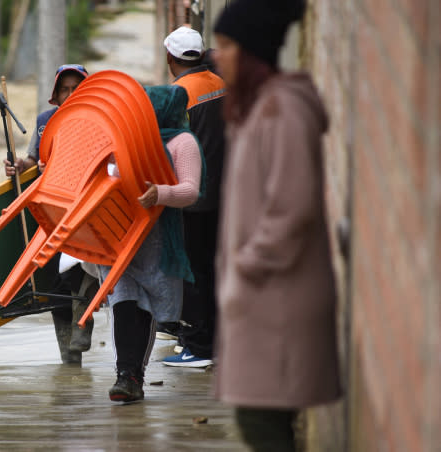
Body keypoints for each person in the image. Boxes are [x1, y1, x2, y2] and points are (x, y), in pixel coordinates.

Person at [212, 0, 341, 449]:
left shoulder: (282, 110)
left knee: (262, 424)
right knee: (262, 421)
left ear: (252, 51)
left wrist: (247, 266)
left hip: (277, 297)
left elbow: (292, 207)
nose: (217, 56)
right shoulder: (259, 107)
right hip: (264, 297)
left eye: (227, 46)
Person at [103, 84, 203, 402]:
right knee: (123, 302)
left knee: (145, 306)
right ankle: (125, 375)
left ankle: (134, 376)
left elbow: (190, 190)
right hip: (122, 235)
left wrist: (160, 193)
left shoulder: (183, 142)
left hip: (160, 239)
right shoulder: (128, 140)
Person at [3, 64, 99, 365]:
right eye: (65, 89)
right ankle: (69, 356)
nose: (71, 94)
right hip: (52, 211)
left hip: (87, 209)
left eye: (76, 87)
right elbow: (33, 159)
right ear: (55, 95)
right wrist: (20, 166)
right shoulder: (44, 123)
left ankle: (84, 321)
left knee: (82, 270)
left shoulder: (98, 121)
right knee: (57, 283)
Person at [159, 26, 227, 368]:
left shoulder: (179, 94)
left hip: (193, 198)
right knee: (214, 268)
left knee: (194, 273)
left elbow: (170, 150)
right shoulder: (218, 83)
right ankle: (216, 339)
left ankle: (199, 347)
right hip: (224, 194)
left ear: (171, 58)